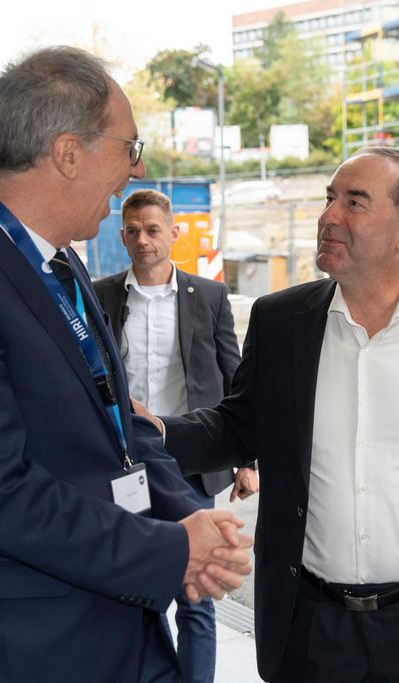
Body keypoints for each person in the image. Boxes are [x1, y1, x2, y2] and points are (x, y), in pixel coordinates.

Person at [0, 46, 251, 683]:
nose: (137, 167)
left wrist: (190, 516)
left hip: (114, 631)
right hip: (11, 649)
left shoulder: (60, 263)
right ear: (69, 153)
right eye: (129, 147)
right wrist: (171, 549)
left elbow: (117, 428)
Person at [144, 146, 399, 682]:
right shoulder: (282, 320)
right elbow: (240, 426)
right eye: (329, 198)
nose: (328, 216)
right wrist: (155, 431)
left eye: (354, 202)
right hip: (311, 627)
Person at [94, 189, 259, 683]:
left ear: (174, 232)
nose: (142, 240)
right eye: (132, 231)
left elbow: (236, 381)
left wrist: (246, 460)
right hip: (125, 464)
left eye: (152, 229)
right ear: (122, 235)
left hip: (190, 464)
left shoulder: (207, 296)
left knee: (196, 594)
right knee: (133, 586)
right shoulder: (101, 295)